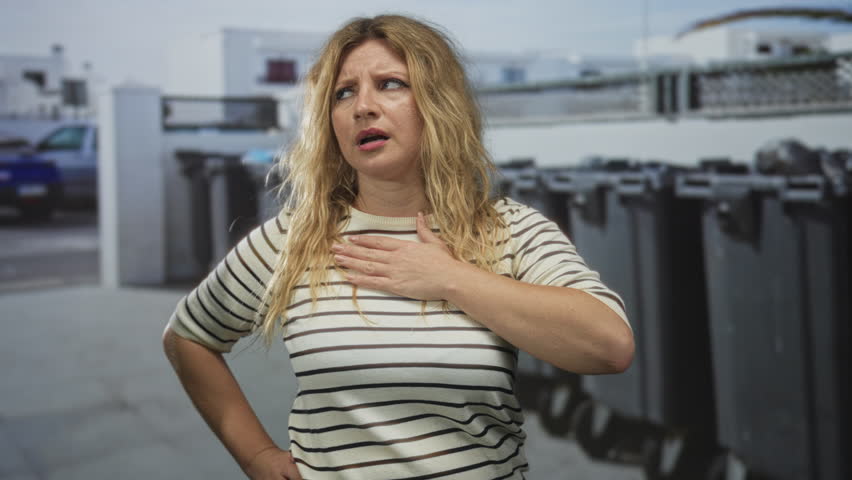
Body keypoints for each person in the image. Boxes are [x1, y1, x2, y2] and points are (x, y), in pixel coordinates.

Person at [162, 14, 633, 480]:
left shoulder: (506, 230)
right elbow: (189, 336)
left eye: (390, 84)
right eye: (344, 93)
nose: (363, 107)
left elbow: (609, 347)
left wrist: (451, 278)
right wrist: (256, 456)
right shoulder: (297, 238)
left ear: (437, 102)